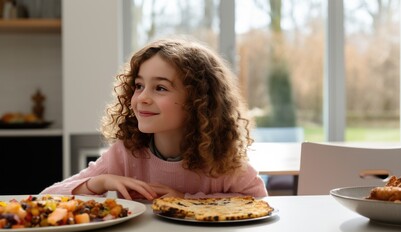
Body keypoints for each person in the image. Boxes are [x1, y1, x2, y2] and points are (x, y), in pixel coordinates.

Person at [40, 37, 268, 200]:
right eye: (139, 86)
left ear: (199, 101)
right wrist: (99, 182)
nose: (142, 98)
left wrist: (185, 200)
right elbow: (46, 197)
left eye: (160, 88)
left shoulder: (221, 159)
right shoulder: (125, 154)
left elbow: (259, 201)